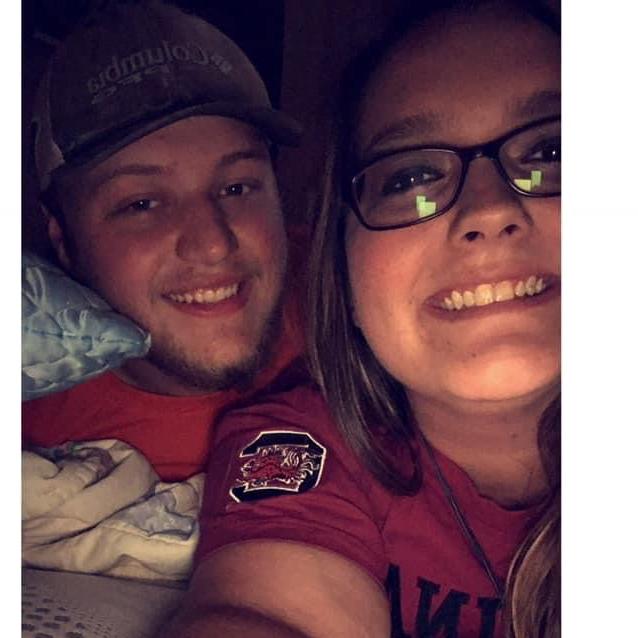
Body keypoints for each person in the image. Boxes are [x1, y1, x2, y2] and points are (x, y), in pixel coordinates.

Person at [159, 0, 561, 636]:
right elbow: (260, 612)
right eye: (411, 178)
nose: (488, 210)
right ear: (341, 271)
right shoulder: (301, 442)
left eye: (552, 150)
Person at [22, 0, 305, 481]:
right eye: (142, 204)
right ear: (63, 239)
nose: (212, 244)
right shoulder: (31, 429)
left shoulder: (359, 298)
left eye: (237, 188)